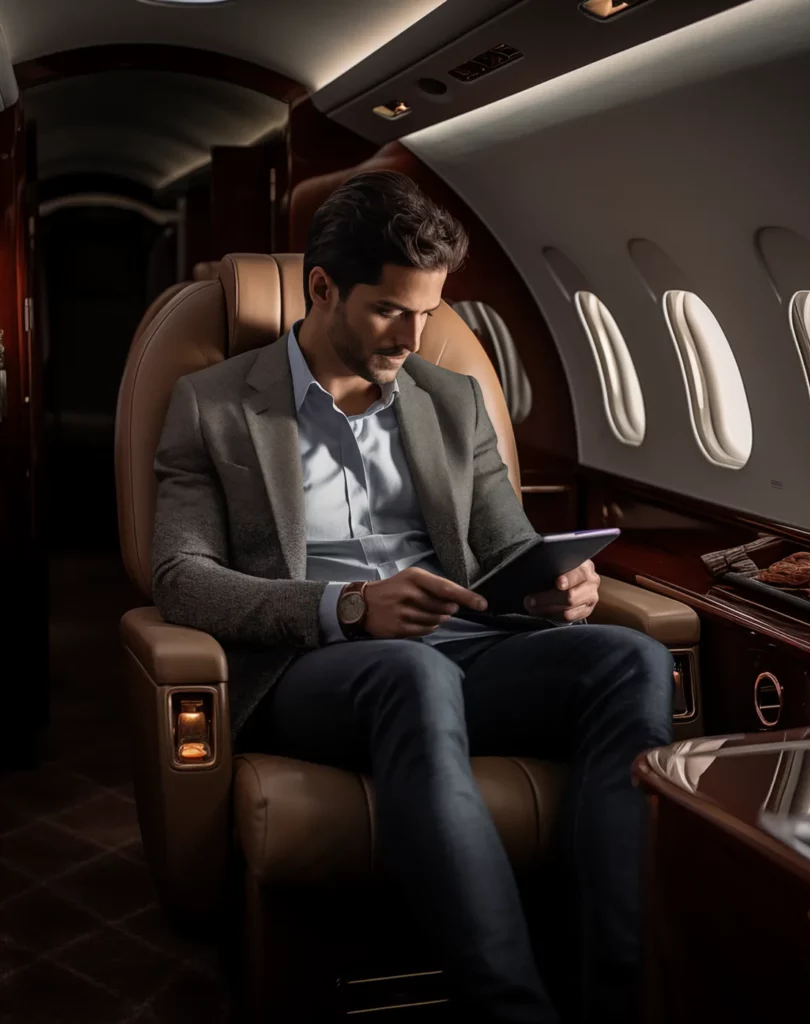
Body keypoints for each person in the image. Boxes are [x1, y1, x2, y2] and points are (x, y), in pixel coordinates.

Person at [150, 170, 673, 1023]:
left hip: (466, 648)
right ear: (324, 289)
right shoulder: (212, 405)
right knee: (411, 675)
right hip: (314, 665)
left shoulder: (453, 399)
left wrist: (553, 587)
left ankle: (615, 994)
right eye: (392, 310)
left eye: (429, 312)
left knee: (630, 658)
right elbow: (183, 577)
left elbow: (507, 547)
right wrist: (348, 608)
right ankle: (511, 1010)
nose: (415, 334)